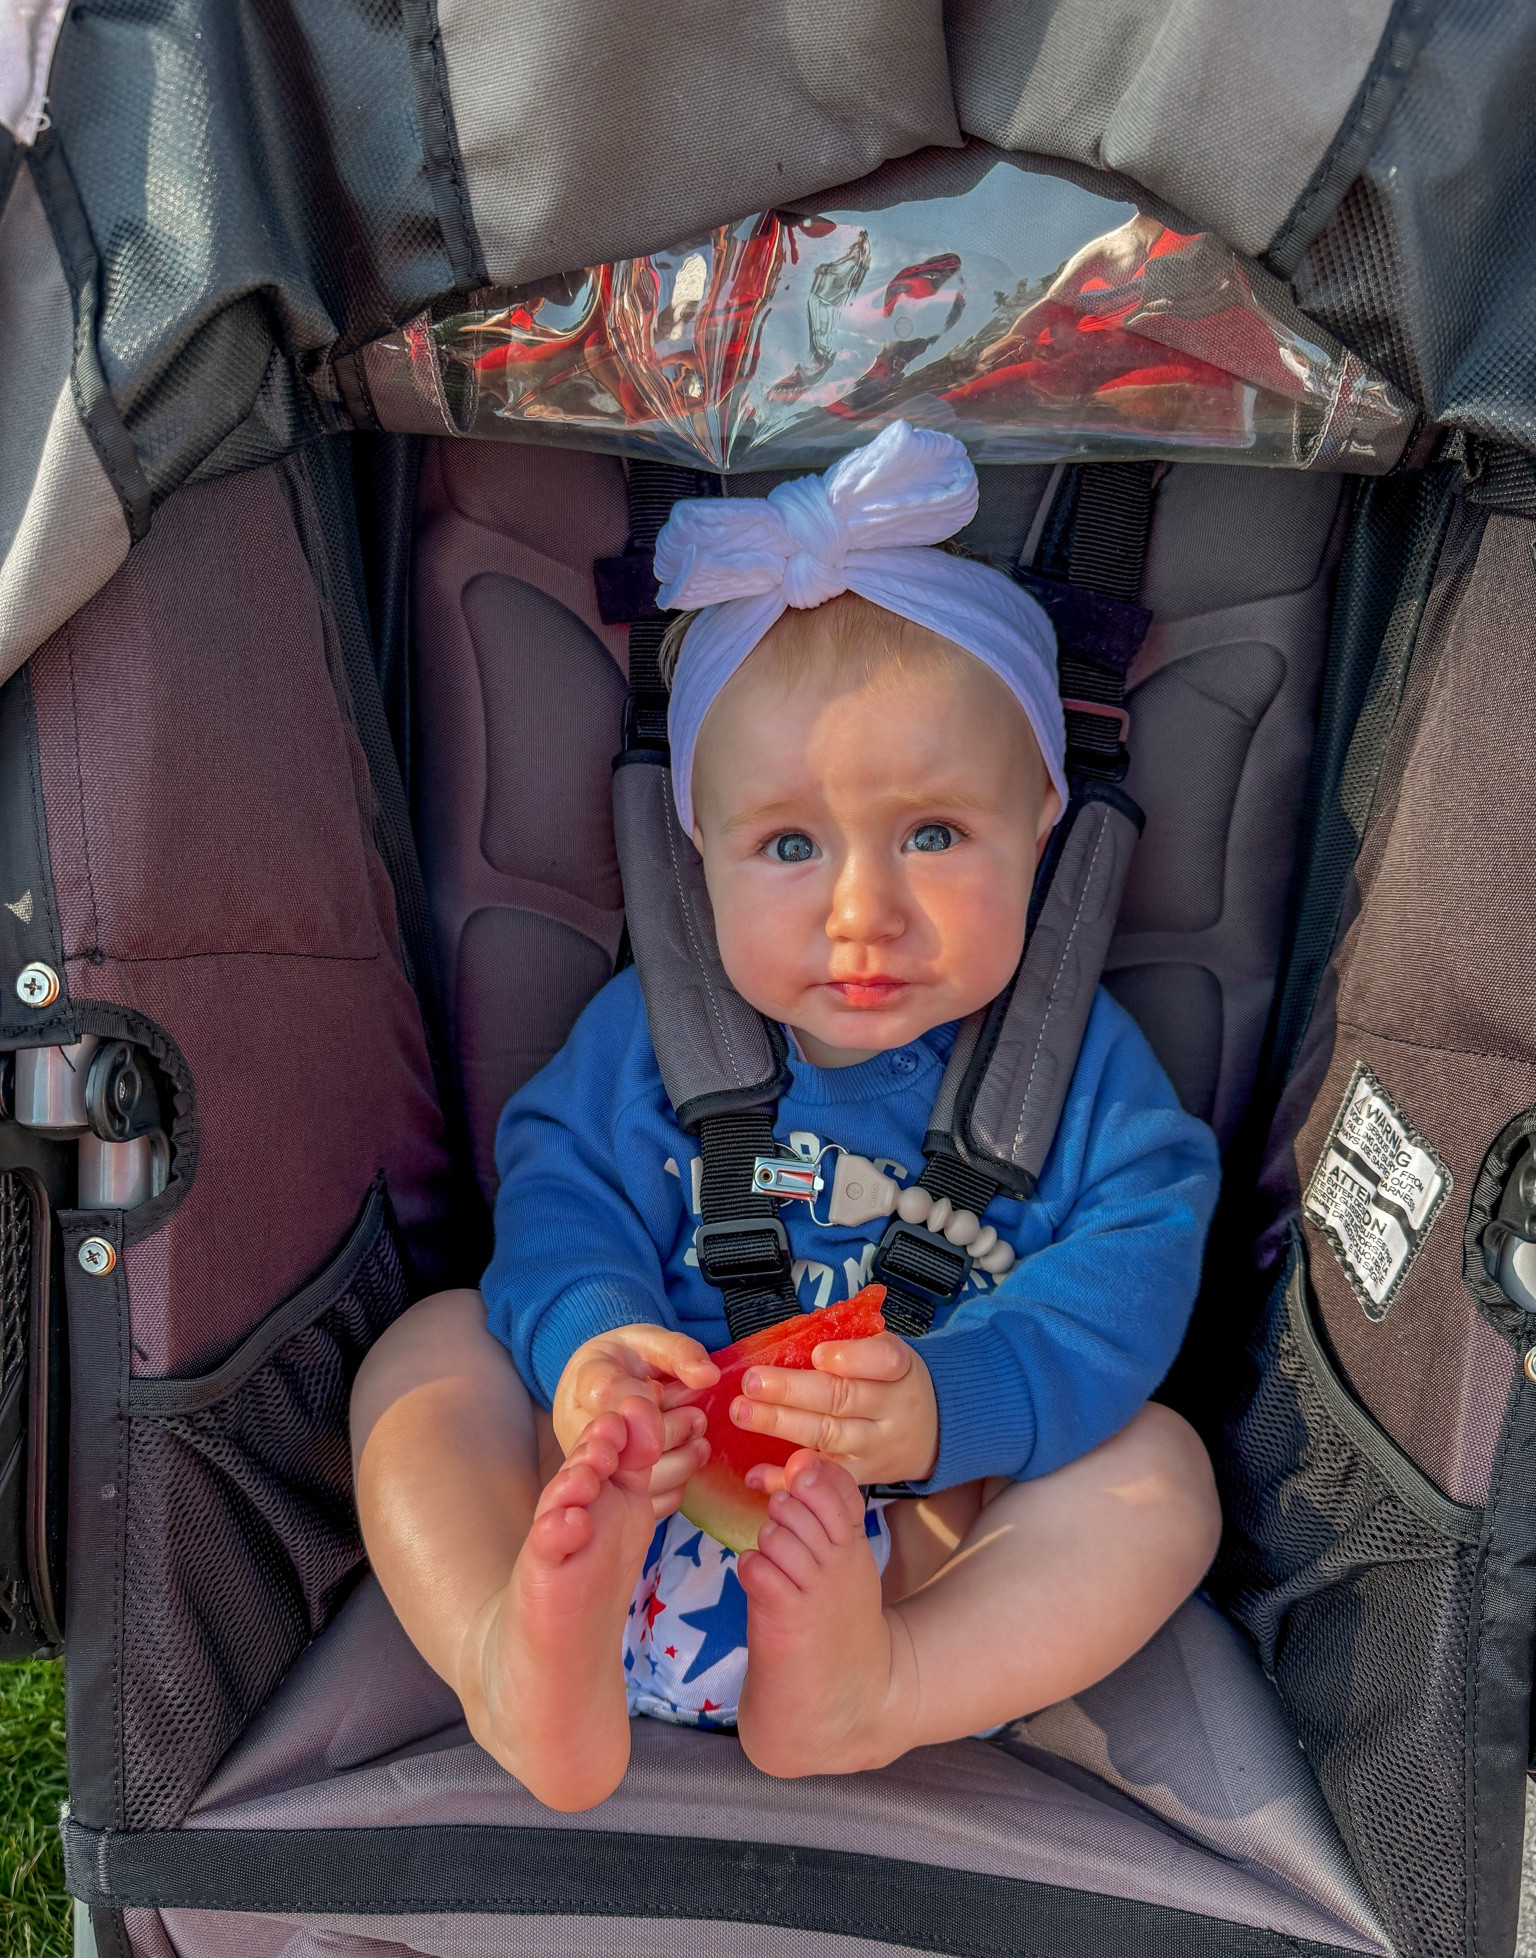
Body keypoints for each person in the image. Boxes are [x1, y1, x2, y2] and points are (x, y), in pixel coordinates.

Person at [351, 421, 1223, 1814]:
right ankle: (510, 1658)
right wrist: (589, 1353)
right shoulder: (651, 1032)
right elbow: (561, 1194)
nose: (864, 909)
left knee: (1157, 1479)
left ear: (1044, 825)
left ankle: (876, 1693)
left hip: (922, 1551)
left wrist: (963, 1402)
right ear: (700, 853)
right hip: (630, 1492)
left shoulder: (1074, 1069)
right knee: (432, 1353)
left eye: (935, 834)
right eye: (790, 846)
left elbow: (1137, 1262)